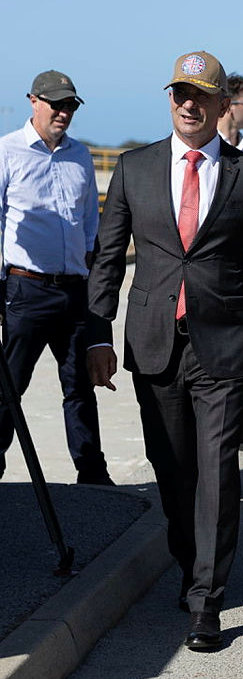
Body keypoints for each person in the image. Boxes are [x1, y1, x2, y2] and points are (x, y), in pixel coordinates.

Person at [87, 51, 243, 651]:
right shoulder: (135, 168)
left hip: (223, 345)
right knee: (173, 470)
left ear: (221, 104)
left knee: (218, 473)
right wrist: (97, 333)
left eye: (201, 95)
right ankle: (189, 564)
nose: (188, 104)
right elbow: (108, 257)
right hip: (154, 343)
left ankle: (208, 600)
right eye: (180, 93)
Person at [0, 70, 110, 485]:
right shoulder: (7, 151)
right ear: (33, 101)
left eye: (70, 106)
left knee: (80, 387)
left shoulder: (80, 155)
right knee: (9, 388)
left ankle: (92, 475)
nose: (64, 112)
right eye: (56, 104)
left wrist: (89, 274)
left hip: (73, 290)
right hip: (26, 290)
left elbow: (89, 223)